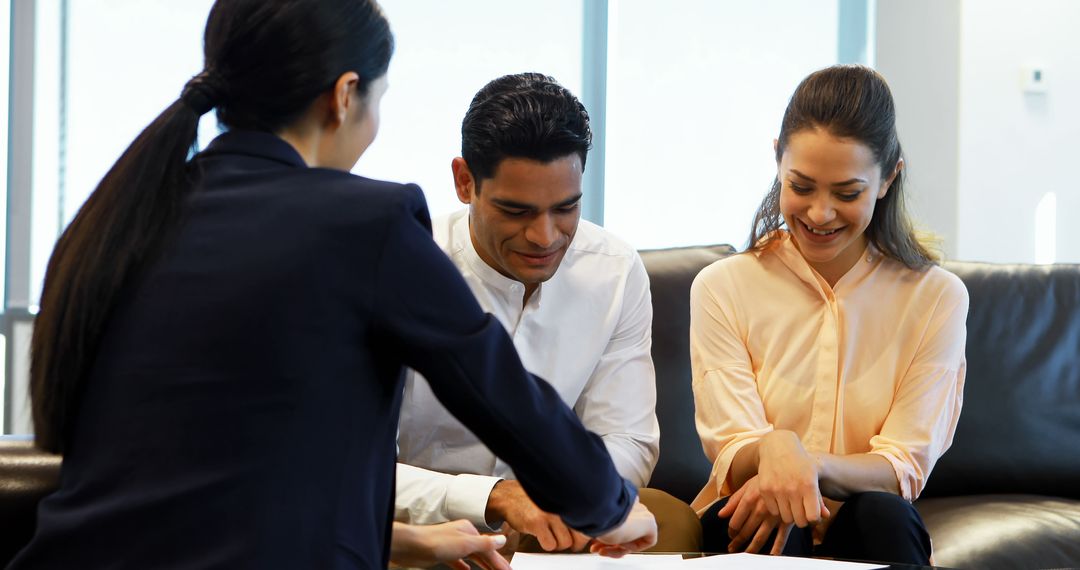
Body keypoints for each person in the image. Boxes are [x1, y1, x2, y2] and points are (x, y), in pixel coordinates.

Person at [11, 1, 656, 568]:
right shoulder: (366, 223)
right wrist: (609, 504)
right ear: (345, 95)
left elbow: (217, 470)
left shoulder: (118, 217)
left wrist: (398, 540)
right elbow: (504, 396)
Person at [689, 64, 968, 565]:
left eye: (847, 193)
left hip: (864, 520)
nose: (820, 214)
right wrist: (770, 457)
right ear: (777, 159)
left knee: (885, 515)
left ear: (887, 180)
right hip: (750, 515)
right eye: (802, 186)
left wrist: (800, 463)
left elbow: (901, 465)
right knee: (776, 517)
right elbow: (732, 446)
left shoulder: (936, 297)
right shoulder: (722, 287)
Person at [393, 72, 660, 553]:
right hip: (418, 533)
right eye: (516, 211)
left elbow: (627, 438)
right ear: (463, 181)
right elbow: (352, 468)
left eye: (566, 208)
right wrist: (491, 497)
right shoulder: (402, 267)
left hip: (555, 532)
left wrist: (567, 501)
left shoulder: (616, 271)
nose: (545, 236)